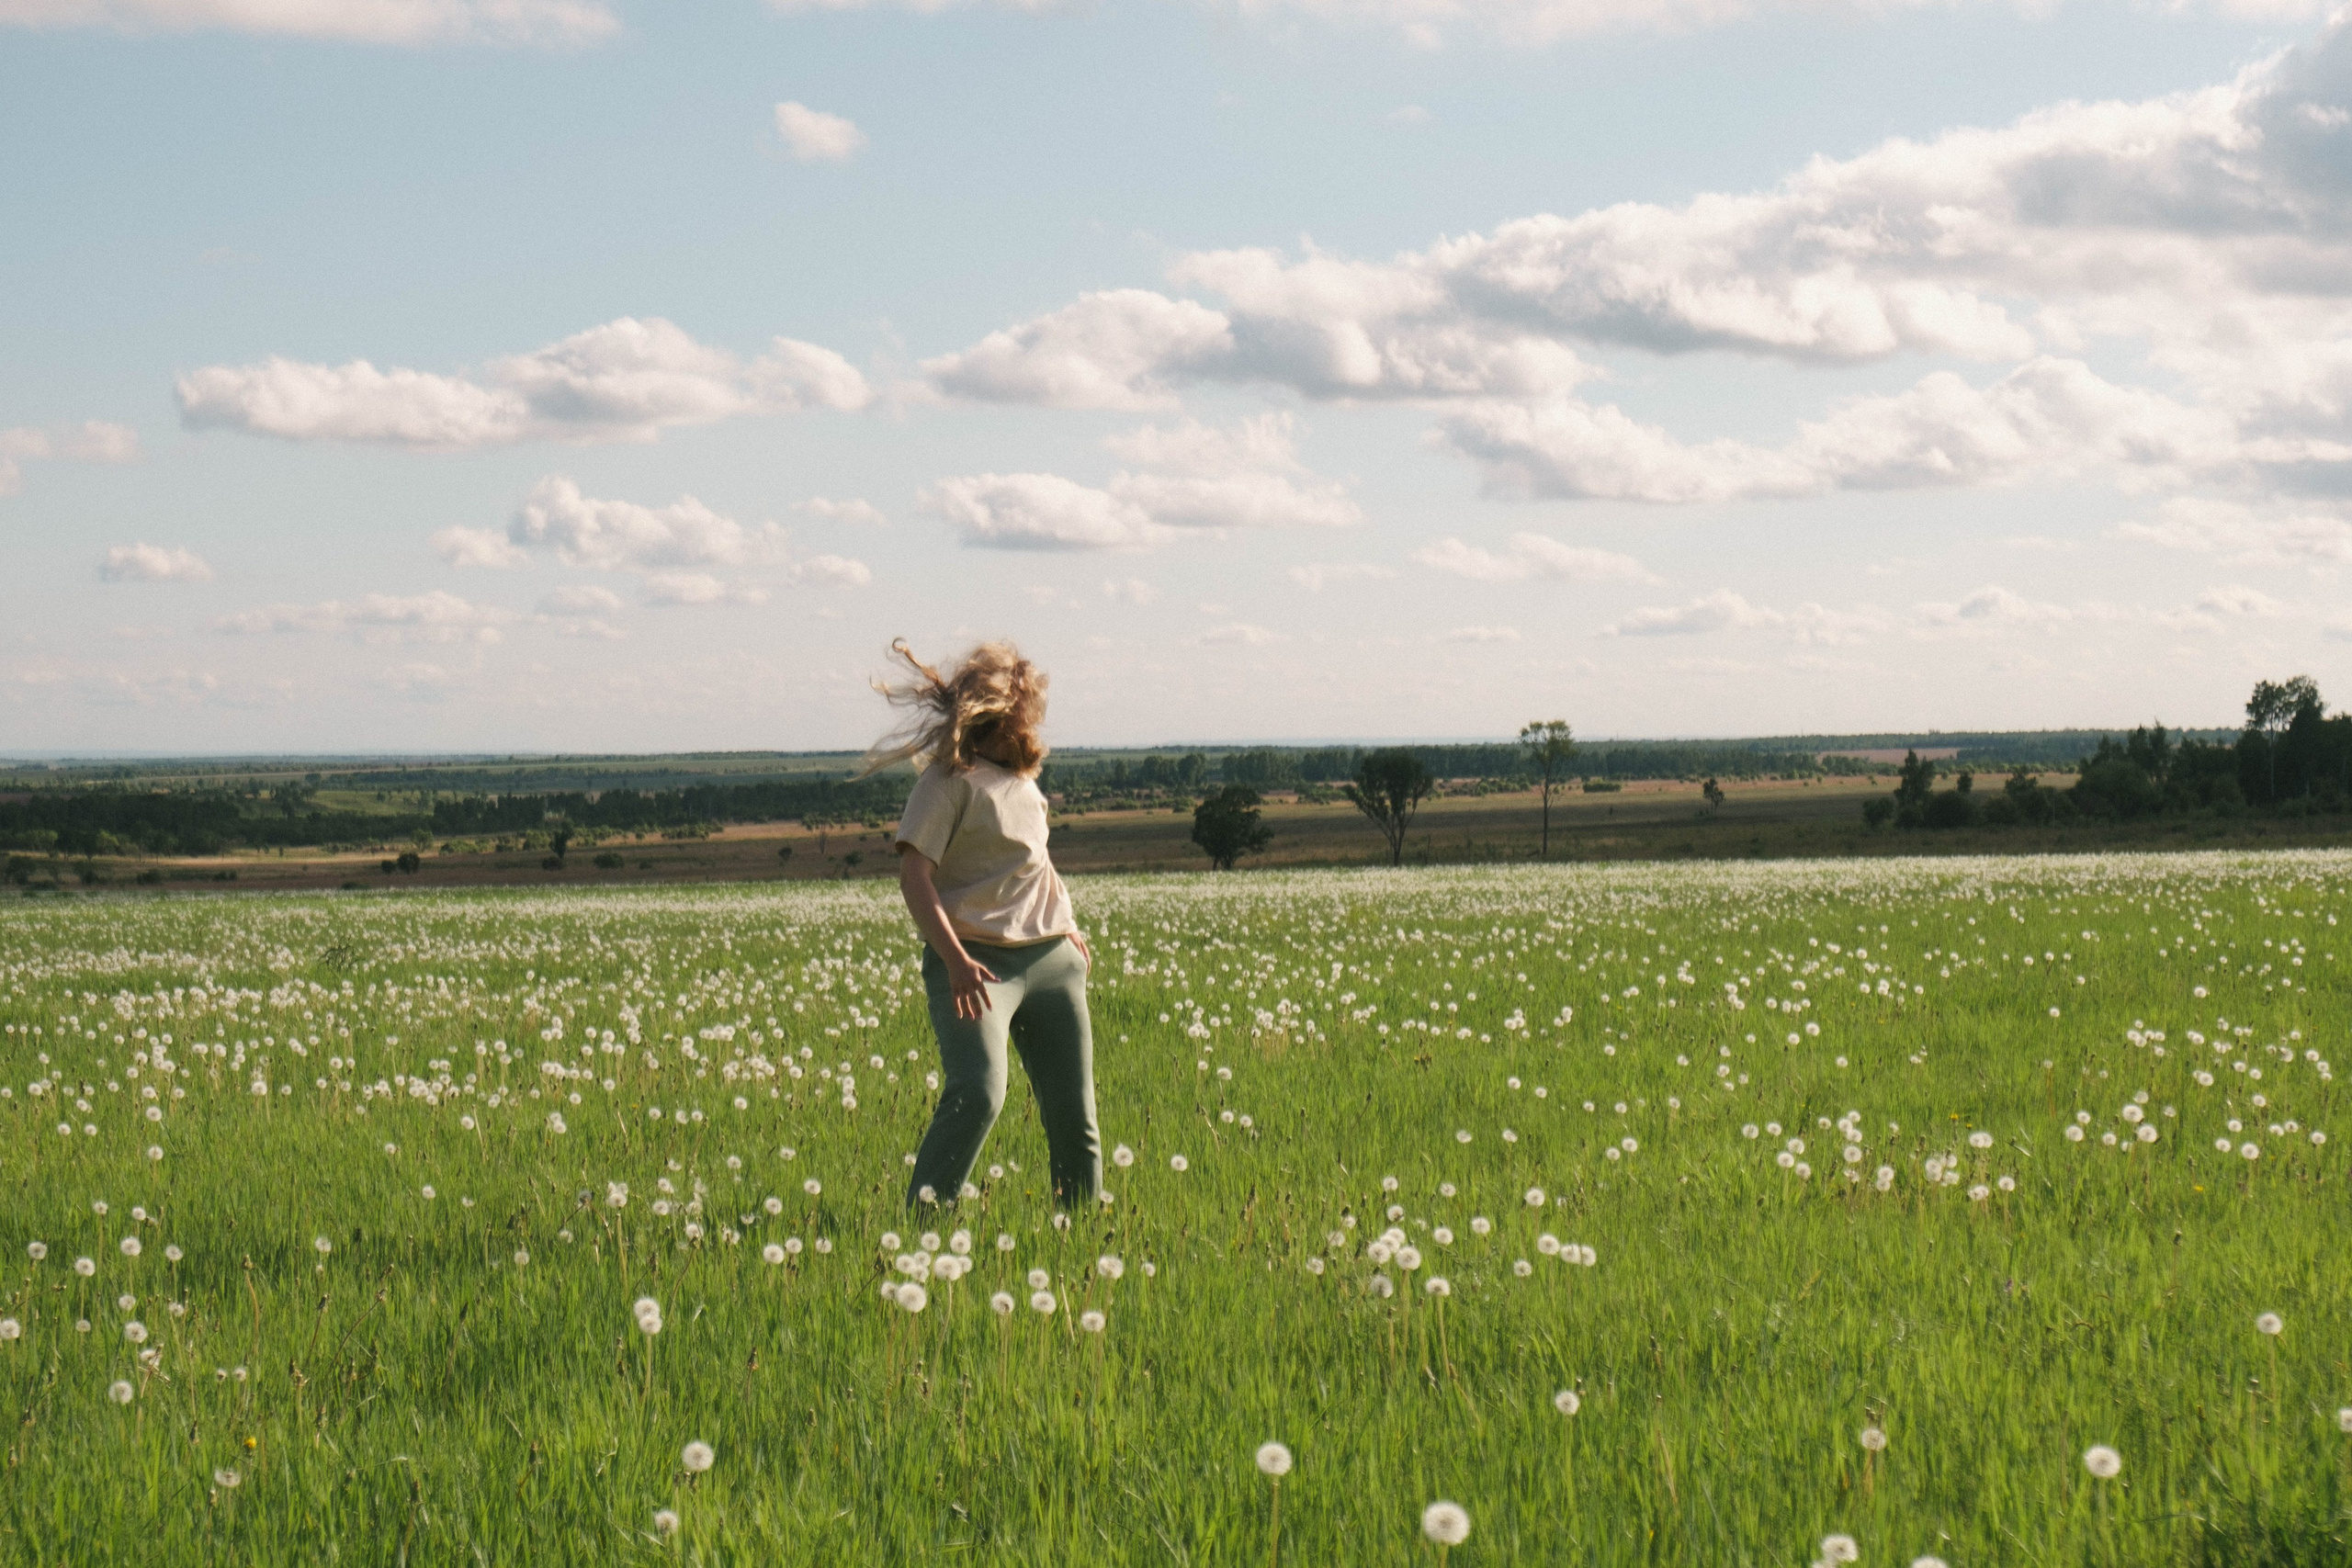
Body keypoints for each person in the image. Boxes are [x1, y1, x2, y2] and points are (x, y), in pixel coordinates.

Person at [867, 638, 1101, 1210]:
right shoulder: (946, 784)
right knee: (978, 1093)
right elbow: (915, 877)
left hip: (1053, 961)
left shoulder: (1024, 781)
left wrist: (1066, 925)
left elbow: (1035, 861)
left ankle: (1085, 1241)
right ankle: (921, 1232)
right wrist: (953, 960)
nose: (1029, 727)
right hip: (975, 966)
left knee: (1077, 1119)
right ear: (990, 716)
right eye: (1019, 715)